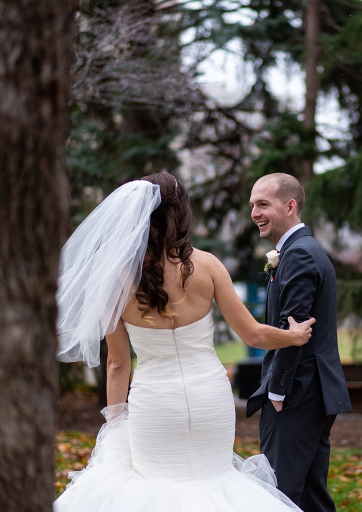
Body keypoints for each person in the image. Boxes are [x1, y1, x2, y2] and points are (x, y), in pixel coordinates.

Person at [54, 172, 315, 512]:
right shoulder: (206, 266)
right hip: (210, 401)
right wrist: (293, 337)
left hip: (154, 405)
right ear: (180, 214)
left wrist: (115, 425)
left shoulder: (114, 282)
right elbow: (253, 335)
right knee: (216, 485)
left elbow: (118, 364)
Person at [245, 173, 352, 512]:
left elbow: (294, 329)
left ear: (290, 206)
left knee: (281, 494)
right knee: (311, 496)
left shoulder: (299, 255)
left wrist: (278, 391)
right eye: (252, 205)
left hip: (295, 395)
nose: (255, 213)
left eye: (264, 204)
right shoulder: (301, 250)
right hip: (315, 393)